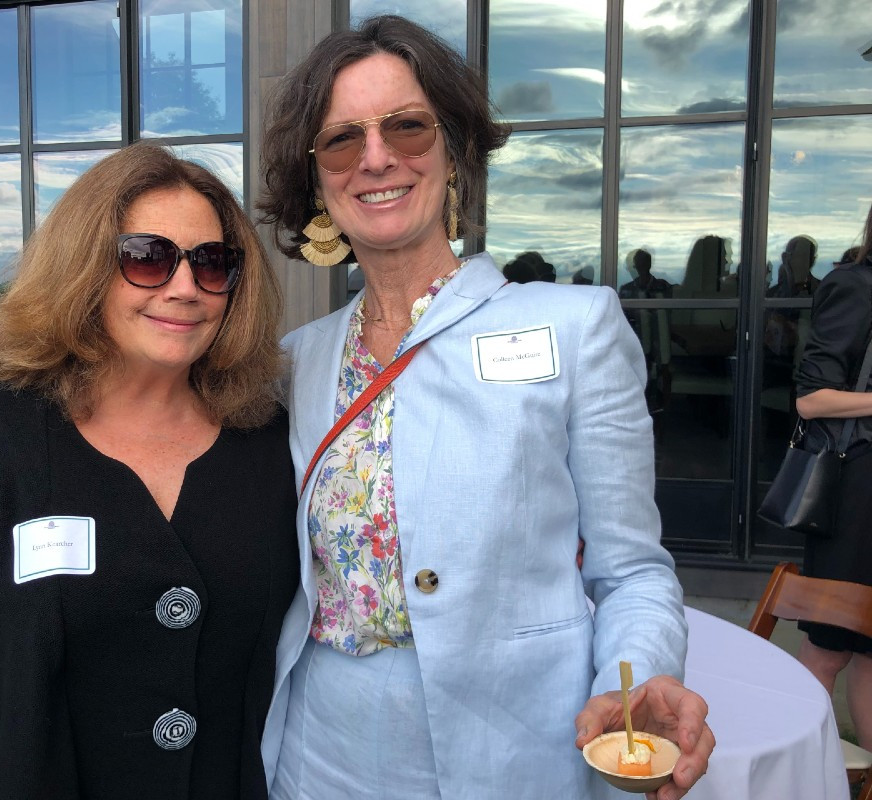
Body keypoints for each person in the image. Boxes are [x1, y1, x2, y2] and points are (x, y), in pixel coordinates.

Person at [258, 15, 713, 799]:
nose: (376, 158)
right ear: (319, 180)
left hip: (518, 748)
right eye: (341, 140)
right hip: (321, 749)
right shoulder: (294, 361)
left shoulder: (577, 327)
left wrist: (635, 678)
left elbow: (633, 571)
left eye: (408, 126)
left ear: (454, 151)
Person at [0, 144, 299, 798]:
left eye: (212, 262)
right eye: (147, 257)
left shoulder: (269, 442)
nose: (184, 286)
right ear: (85, 268)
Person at [793, 203, 872, 749]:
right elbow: (811, 400)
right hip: (856, 497)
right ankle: (799, 771)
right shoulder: (855, 286)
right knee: (830, 647)